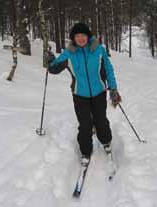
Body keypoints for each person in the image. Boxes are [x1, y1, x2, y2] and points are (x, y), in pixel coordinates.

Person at [46, 22, 121, 166]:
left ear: (88, 36)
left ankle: (106, 141)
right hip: (79, 95)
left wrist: (113, 88)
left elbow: (109, 69)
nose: (80, 39)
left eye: (83, 35)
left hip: (99, 93)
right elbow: (54, 68)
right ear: (73, 38)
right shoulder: (69, 53)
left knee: (101, 121)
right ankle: (86, 151)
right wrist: (50, 61)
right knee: (85, 124)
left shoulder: (98, 50)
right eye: (77, 36)